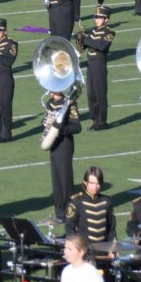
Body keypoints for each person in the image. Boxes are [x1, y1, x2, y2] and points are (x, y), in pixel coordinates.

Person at [45, 89, 81, 221]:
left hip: (64, 143)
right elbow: (46, 120)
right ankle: (59, 211)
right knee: (56, 180)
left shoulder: (69, 104)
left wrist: (59, 130)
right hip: (53, 144)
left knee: (65, 180)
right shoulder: (50, 103)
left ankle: (69, 211)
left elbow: (77, 127)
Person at [81, 5, 115, 130]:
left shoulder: (109, 32)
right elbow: (82, 47)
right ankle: (95, 119)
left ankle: (102, 121)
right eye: (96, 17)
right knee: (91, 93)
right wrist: (80, 39)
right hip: (90, 64)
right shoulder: (94, 30)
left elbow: (101, 46)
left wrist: (86, 40)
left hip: (99, 64)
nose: (96, 19)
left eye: (99, 17)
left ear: (106, 19)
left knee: (100, 93)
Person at [65, 167, 114, 244]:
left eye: (98, 183)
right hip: (85, 249)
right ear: (85, 182)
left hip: (104, 249)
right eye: (92, 183)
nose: (95, 186)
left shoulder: (107, 201)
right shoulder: (76, 201)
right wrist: (77, 246)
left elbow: (111, 228)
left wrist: (112, 248)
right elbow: (69, 228)